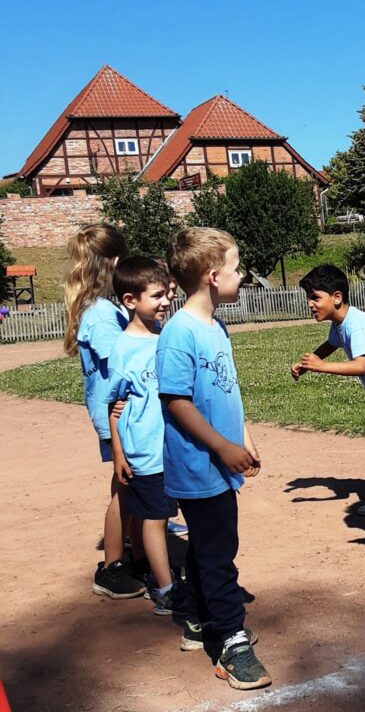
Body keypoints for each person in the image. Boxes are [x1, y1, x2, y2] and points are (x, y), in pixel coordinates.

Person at [157, 227, 270, 690]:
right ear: (211, 275)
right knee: (220, 552)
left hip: (220, 462)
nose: (241, 276)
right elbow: (176, 402)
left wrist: (243, 437)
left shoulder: (216, 327)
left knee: (207, 546)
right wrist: (222, 447)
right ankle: (231, 640)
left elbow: (227, 391)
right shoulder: (179, 333)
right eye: (236, 268)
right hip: (198, 465)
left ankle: (197, 619)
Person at [292, 264, 365, 515]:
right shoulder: (341, 323)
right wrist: (307, 364)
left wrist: (321, 367)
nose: (310, 304)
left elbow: (360, 366)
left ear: (336, 297)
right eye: (309, 298)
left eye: (315, 297)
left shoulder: (356, 325)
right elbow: (330, 344)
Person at [63, 223, 144, 598]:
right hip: (119, 415)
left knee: (132, 487)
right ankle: (113, 567)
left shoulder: (103, 310)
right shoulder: (100, 314)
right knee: (125, 489)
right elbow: (122, 362)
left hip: (122, 412)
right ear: (113, 263)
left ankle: (138, 557)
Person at [106, 257, 178, 614]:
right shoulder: (123, 348)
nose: (165, 302)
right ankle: (165, 589)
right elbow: (113, 405)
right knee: (156, 517)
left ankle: (151, 567)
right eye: (157, 296)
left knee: (157, 511)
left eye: (167, 294)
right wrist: (118, 454)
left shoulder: (165, 336)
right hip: (144, 451)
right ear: (130, 300)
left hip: (170, 447)